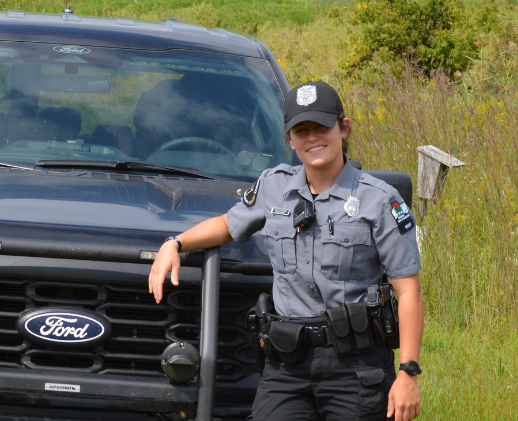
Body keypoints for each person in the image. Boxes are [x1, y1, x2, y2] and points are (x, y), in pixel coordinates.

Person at [147, 80, 423, 421]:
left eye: (321, 126)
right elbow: (226, 224)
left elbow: (408, 292)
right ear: (289, 139)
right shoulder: (273, 186)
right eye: (301, 130)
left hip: (357, 364)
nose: (312, 138)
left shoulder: (379, 200)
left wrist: (408, 373)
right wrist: (174, 244)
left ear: (343, 127)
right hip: (287, 364)